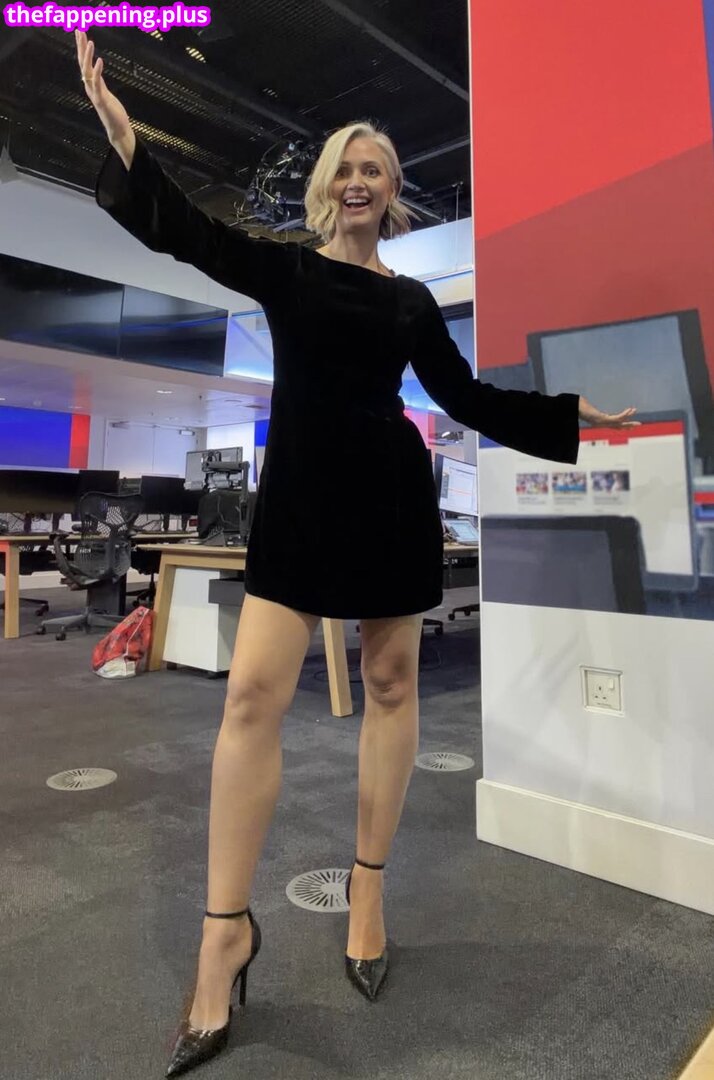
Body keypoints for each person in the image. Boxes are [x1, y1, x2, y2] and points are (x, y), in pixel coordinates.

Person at [75, 30, 639, 1078]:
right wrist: (125, 138)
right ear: (328, 186)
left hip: (387, 501)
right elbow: (189, 233)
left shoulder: (410, 302)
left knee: (389, 685)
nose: (362, 179)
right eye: (348, 165)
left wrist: (567, 418)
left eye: (378, 168)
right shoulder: (285, 271)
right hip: (299, 504)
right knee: (252, 700)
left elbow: (465, 398)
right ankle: (225, 931)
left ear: (391, 195)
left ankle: (368, 888)